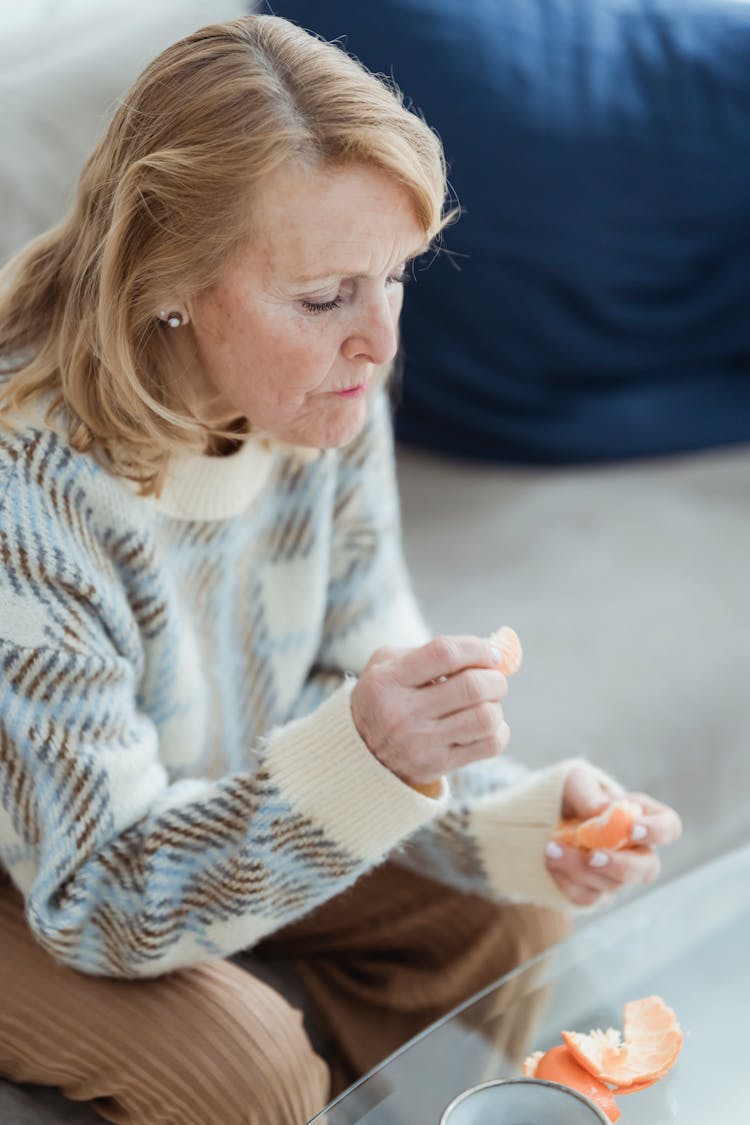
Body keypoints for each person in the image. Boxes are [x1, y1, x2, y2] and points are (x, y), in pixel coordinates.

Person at [0, 14, 681, 1125]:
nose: (379, 341)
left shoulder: (326, 391)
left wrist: (517, 818)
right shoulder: (25, 495)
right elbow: (97, 895)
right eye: (324, 296)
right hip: (46, 859)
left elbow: (361, 665)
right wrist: (366, 757)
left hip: (176, 802)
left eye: (396, 277)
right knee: (247, 1070)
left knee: (510, 910)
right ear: (168, 280)